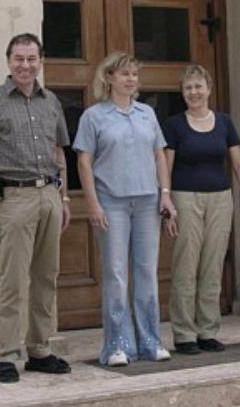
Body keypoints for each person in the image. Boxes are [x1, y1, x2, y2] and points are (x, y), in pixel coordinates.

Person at [0, 32, 72, 383]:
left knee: (46, 277)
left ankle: (40, 350)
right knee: (12, 281)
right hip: (14, 199)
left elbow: (60, 152)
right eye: (19, 59)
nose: (26, 65)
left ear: (40, 61)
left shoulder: (52, 102)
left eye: (32, 59)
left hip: (49, 196)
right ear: (9, 61)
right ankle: (6, 355)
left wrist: (66, 197)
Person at [73, 52, 175, 366]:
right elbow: (84, 161)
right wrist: (92, 203)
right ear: (108, 78)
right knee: (116, 274)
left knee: (147, 272)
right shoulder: (94, 116)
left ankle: (150, 342)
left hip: (147, 201)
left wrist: (166, 194)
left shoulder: (147, 114)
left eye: (134, 74)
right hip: (111, 202)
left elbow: (159, 155)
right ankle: (117, 344)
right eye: (124, 74)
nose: (130, 79)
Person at [161, 64, 240, 355]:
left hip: (220, 198)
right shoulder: (175, 124)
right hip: (185, 198)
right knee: (186, 266)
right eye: (188, 87)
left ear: (209, 89)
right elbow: (166, 165)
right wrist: (165, 201)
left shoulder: (225, 123)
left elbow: (239, 164)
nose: (193, 92)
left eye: (198, 86)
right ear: (182, 91)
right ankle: (184, 333)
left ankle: (207, 331)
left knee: (213, 265)